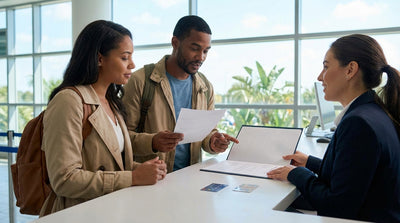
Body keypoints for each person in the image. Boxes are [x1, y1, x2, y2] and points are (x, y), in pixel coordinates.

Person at [267, 34, 400, 222]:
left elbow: (336, 206)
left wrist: (296, 173)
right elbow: (354, 175)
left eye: (326, 66)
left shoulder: (358, 123)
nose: (320, 76)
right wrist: (310, 162)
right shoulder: (373, 112)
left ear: (350, 70)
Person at [40, 20, 167, 216]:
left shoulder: (112, 102)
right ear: (100, 59)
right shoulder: (69, 101)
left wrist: (145, 169)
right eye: (125, 57)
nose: (132, 64)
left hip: (112, 210)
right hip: (79, 214)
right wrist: (132, 177)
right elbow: (64, 180)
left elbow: (112, 161)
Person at [122, 15, 238, 172]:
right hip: (150, 181)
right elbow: (121, 139)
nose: (201, 57)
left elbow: (205, 133)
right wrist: (153, 142)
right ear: (175, 43)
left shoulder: (205, 87)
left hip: (189, 180)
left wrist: (212, 141)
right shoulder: (140, 81)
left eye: (206, 51)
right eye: (195, 49)